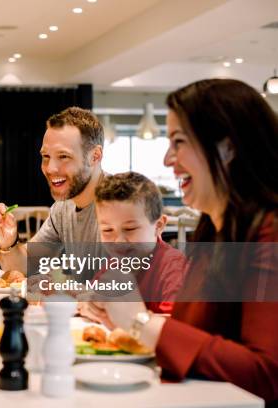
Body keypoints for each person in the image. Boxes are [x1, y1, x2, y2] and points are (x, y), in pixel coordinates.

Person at [89, 79, 278, 403]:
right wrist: (122, 318)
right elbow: (193, 334)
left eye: (179, 142)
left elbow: (266, 375)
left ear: (228, 148)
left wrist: (139, 322)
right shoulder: (214, 228)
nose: (167, 159)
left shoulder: (269, 232)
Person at [0, 107, 105, 273]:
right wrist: (8, 242)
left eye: (63, 156)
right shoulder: (62, 209)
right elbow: (25, 267)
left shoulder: (124, 205)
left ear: (95, 156)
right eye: (46, 157)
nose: (50, 168)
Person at [79, 172, 187, 317]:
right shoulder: (114, 264)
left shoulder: (173, 266)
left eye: (130, 229)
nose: (118, 241)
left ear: (158, 226)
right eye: (107, 230)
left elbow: (177, 324)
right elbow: (89, 300)